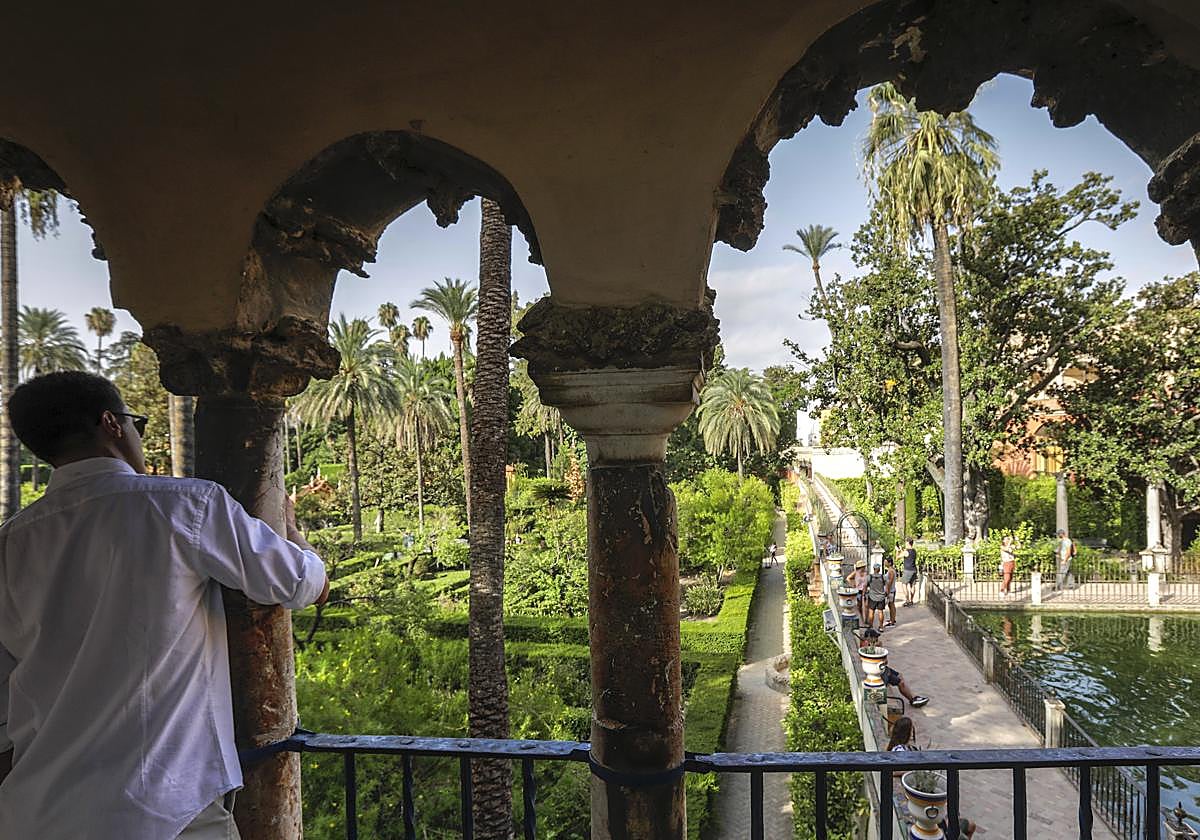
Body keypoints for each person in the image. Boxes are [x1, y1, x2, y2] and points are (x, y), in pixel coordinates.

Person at [0, 372, 330, 840]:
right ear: (111, 424)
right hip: (164, 810)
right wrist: (298, 541)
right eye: (136, 422)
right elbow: (300, 583)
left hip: (35, 813)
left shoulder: (12, 542)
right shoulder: (183, 508)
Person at [858, 630, 928, 706]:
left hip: (883, 669)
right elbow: (885, 661)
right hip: (880, 672)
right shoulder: (869, 647)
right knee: (900, 683)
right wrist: (880, 649)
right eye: (875, 637)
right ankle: (912, 699)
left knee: (899, 676)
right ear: (869, 638)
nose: (877, 638)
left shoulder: (868, 645)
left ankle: (913, 697)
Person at [865, 561, 890, 631]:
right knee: (880, 612)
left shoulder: (869, 577)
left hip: (872, 597)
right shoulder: (883, 577)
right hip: (881, 597)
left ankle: (871, 627)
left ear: (873, 569)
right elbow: (887, 587)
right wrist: (887, 594)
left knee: (871, 612)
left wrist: (864, 594)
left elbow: (865, 586)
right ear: (879, 569)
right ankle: (881, 627)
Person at [901, 538, 919, 605]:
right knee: (912, 585)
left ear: (908, 543)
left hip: (907, 570)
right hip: (914, 569)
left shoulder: (906, 552)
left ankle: (907, 600)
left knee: (904, 584)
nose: (905, 544)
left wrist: (898, 551)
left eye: (906, 542)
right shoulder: (914, 551)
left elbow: (897, 557)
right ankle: (911, 600)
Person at [883, 555, 899, 627]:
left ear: (889, 563)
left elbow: (890, 582)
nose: (884, 563)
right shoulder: (890, 570)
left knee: (891, 605)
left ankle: (892, 620)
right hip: (891, 590)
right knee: (890, 605)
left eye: (885, 562)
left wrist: (887, 590)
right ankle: (892, 618)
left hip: (891, 590)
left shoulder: (891, 571)